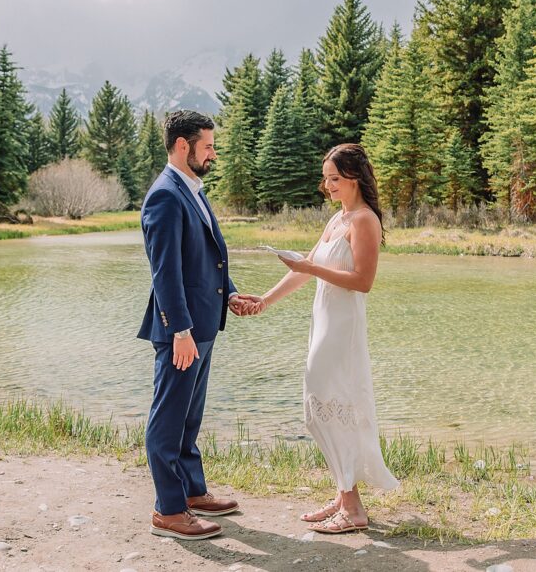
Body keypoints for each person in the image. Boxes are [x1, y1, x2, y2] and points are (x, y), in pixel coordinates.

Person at [255, 143, 399, 534]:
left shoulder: (364, 220)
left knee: (330, 401)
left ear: (354, 177)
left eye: (333, 178)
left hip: (343, 328)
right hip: (323, 321)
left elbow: (363, 282)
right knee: (319, 405)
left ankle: (353, 510)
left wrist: (312, 267)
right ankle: (343, 493)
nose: (327, 185)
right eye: (326, 178)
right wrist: (264, 301)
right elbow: (305, 270)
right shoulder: (337, 219)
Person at [137, 109, 263, 540]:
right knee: (168, 419)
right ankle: (168, 511)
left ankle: (191, 492)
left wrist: (229, 293)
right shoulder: (165, 195)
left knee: (189, 418)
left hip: (203, 324)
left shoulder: (191, 189)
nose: (213, 153)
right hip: (183, 331)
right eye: (207, 145)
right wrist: (180, 331)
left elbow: (206, 256)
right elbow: (165, 272)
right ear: (182, 145)